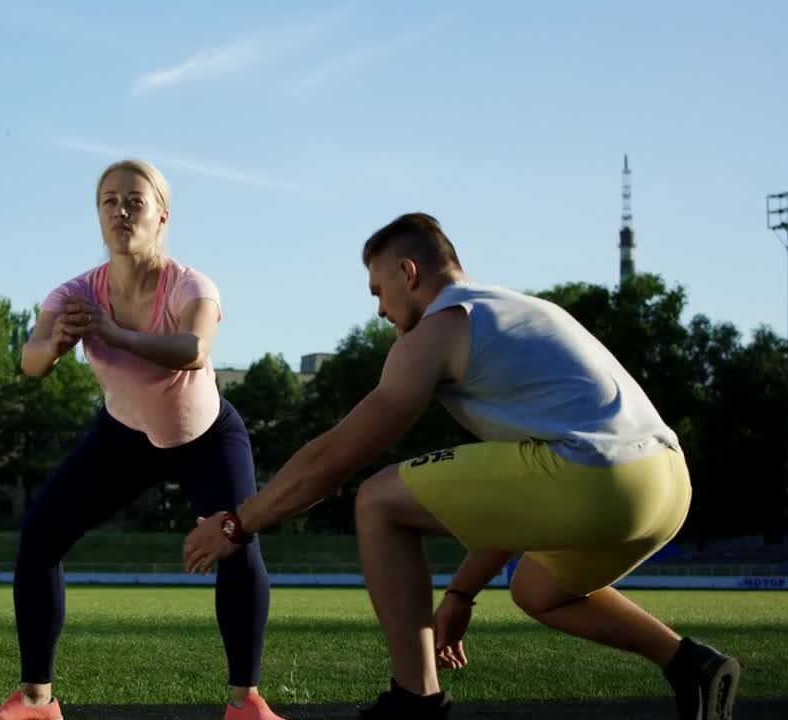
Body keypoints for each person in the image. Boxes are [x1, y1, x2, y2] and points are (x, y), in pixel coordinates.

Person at [184, 213, 740, 719]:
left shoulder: (439, 330)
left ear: (408, 272)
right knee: (537, 591)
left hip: (602, 479)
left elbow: (337, 455)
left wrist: (239, 522)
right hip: (666, 485)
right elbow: (524, 486)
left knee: (377, 500)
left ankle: (415, 703)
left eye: (379, 291)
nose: (379, 310)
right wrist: (459, 595)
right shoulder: (518, 312)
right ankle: (690, 664)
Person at [0, 160, 286, 720]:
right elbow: (31, 360)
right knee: (40, 536)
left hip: (206, 435)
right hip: (124, 435)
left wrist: (114, 333)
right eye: (108, 200)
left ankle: (246, 703)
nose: (120, 211)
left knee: (239, 543)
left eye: (134, 201)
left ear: (161, 215)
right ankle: (37, 703)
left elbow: (195, 348)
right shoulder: (74, 293)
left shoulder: (191, 284)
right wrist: (59, 342)